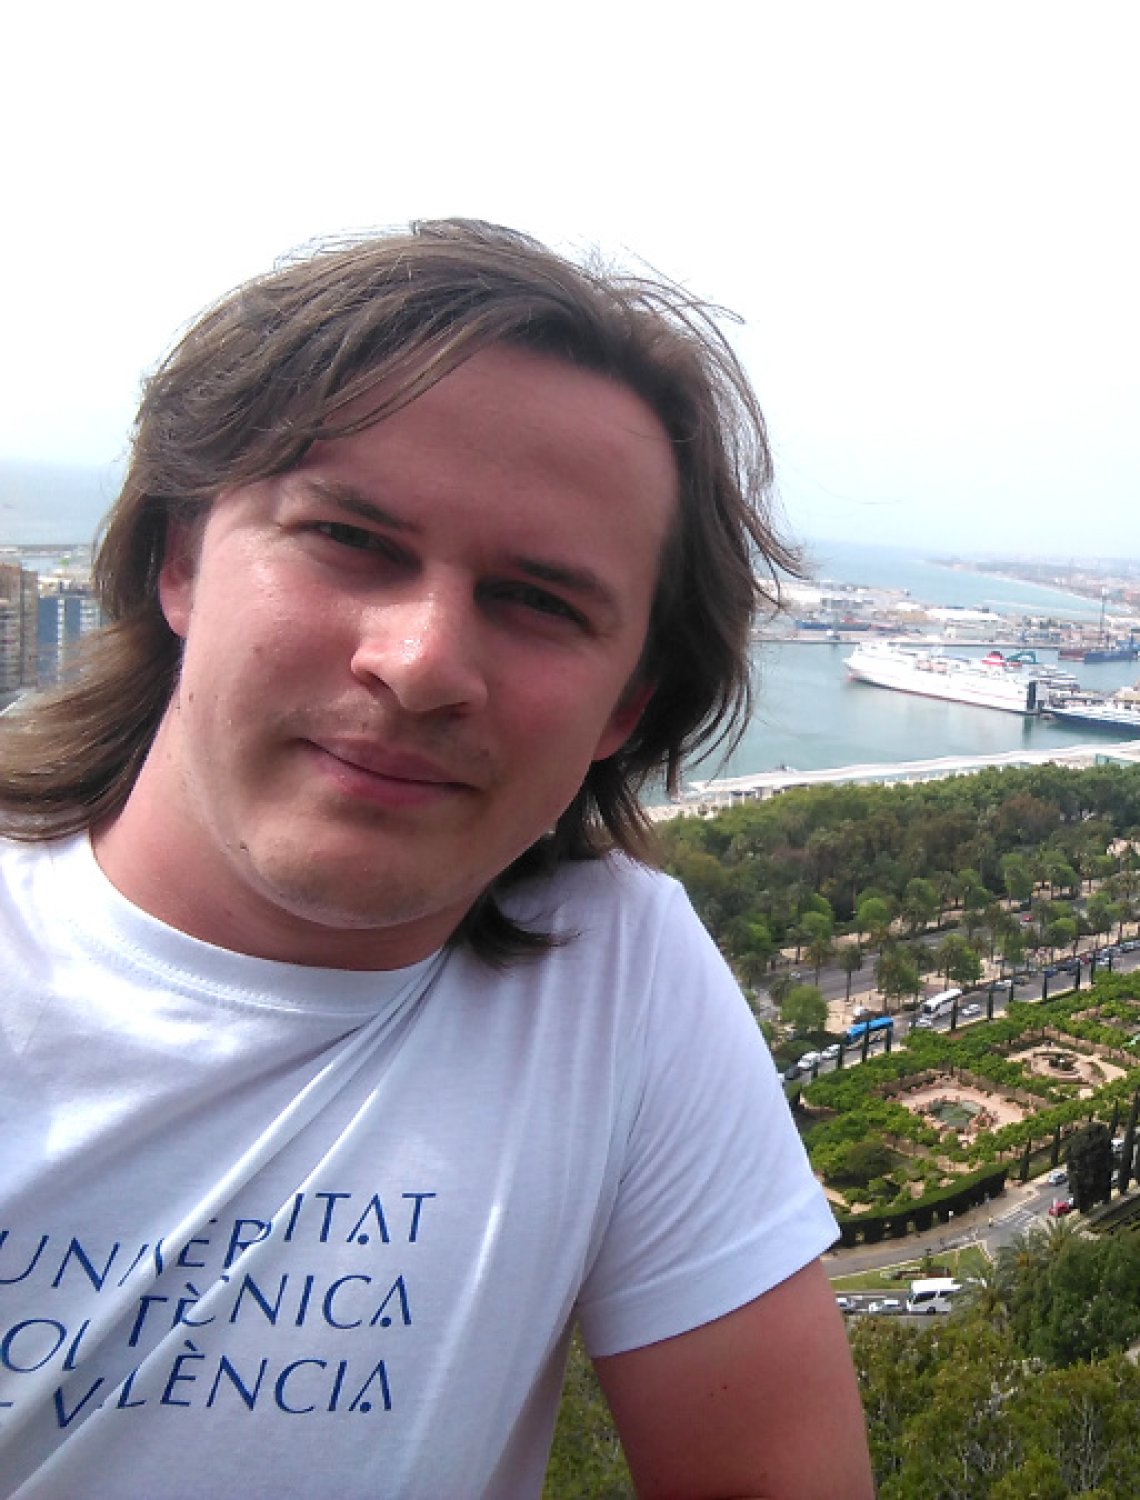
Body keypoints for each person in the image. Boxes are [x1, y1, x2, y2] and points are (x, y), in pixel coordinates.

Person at [0, 221, 874, 1497]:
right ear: (181, 561)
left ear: (625, 708)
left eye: (538, 601)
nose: (418, 664)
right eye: (350, 539)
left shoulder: (614, 978)